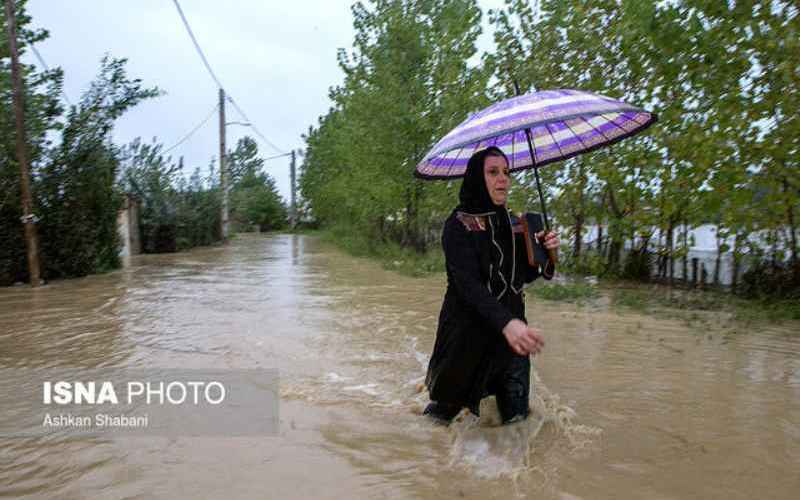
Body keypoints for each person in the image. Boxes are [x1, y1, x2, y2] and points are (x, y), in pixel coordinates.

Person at [423, 146, 560, 425]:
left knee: (518, 423)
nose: (503, 179)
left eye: (506, 172)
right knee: (438, 422)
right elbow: (468, 286)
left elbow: (520, 277)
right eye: (493, 172)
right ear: (476, 177)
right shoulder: (458, 225)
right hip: (467, 338)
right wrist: (506, 323)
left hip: (512, 341)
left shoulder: (514, 224)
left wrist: (547, 254)